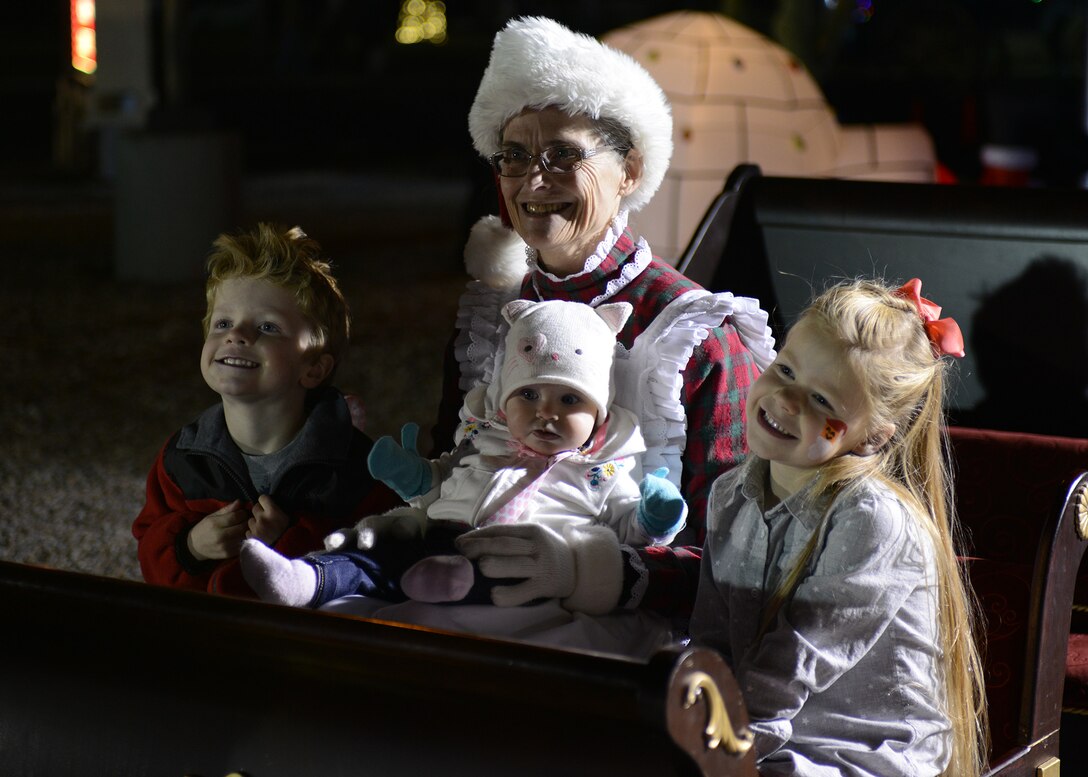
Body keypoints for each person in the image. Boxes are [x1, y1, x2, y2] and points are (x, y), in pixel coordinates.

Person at [434, 16, 776, 551]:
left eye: (565, 154)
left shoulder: (692, 333)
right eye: (515, 156)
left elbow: (732, 547)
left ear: (630, 172)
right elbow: (449, 473)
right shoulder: (491, 313)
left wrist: (604, 582)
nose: (533, 181)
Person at [688, 278, 988, 776]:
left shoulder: (871, 520)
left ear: (874, 436)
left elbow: (793, 665)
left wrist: (714, 750)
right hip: (765, 736)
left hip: (862, 755)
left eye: (823, 401)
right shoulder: (731, 495)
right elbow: (712, 640)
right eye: (785, 369)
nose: (786, 401)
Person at [239, 298, 688, 612]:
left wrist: (655, 515)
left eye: (570, 401)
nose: (545, 413)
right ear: (503, 401)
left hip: (524, 561)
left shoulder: (601, 469)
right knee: (373, 555)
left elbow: (627, 527)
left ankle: (449, 579)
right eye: (528, 394)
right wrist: (417, 478)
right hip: (442, 534)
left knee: (488, 573)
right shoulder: (485, 442)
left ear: (599, 414)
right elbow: (447, 485)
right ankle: (307, 579)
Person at [132, 223, 396, 597]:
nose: (236, 335)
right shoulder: (182, 459)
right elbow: (149, 554)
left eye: (268, 327)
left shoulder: (358, 469)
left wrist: (289, 545)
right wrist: (190, 547)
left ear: (314, 368)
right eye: (223, 322)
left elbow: (382, 566)